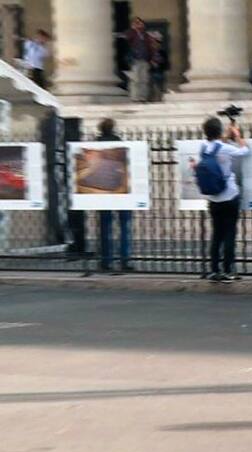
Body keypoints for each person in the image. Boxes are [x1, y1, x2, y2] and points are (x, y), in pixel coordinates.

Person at [196, 118, 250, 283]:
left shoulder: (204, 147)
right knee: (229, 234)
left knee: (217, 235)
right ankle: (228, 270)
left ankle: (214, 270)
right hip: (229, 195)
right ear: (219, 131)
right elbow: (244, 151)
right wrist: (237, 135)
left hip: (213, 198)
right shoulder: (226, 148)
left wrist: (224, 135)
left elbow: (216, 147)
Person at [95, 119, 132, 273]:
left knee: (105, 226)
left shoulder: (94, 146)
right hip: (120, 189)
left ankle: (106, 260)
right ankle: (125, 259)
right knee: (124, 226)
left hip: (103, 189)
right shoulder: (120, 144)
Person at [125, 17, 154, 102]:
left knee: (144, 80)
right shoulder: (131, 33)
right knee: (135, 80)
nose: (139, 24)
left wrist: (151, 58)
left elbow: (150, 48)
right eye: (136, 23)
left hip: (145, 60)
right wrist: (133, 29)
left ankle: (143, 97)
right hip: (135, 59)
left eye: (140, 22)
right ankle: (135, 97)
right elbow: (128, 39)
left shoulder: (145, 35)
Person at [148, 33, 169, 102]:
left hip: (160, 72)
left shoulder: (162, 52)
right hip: (152, 72)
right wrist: (152, 63)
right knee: (152, 86)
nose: (155, 45)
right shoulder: (150, 52)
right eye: (153, 43)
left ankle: (159, 99)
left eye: (156, 43)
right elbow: (147, 61)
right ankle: (153, 99)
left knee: (160, 86)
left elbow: (165, 62)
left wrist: (159, 63)